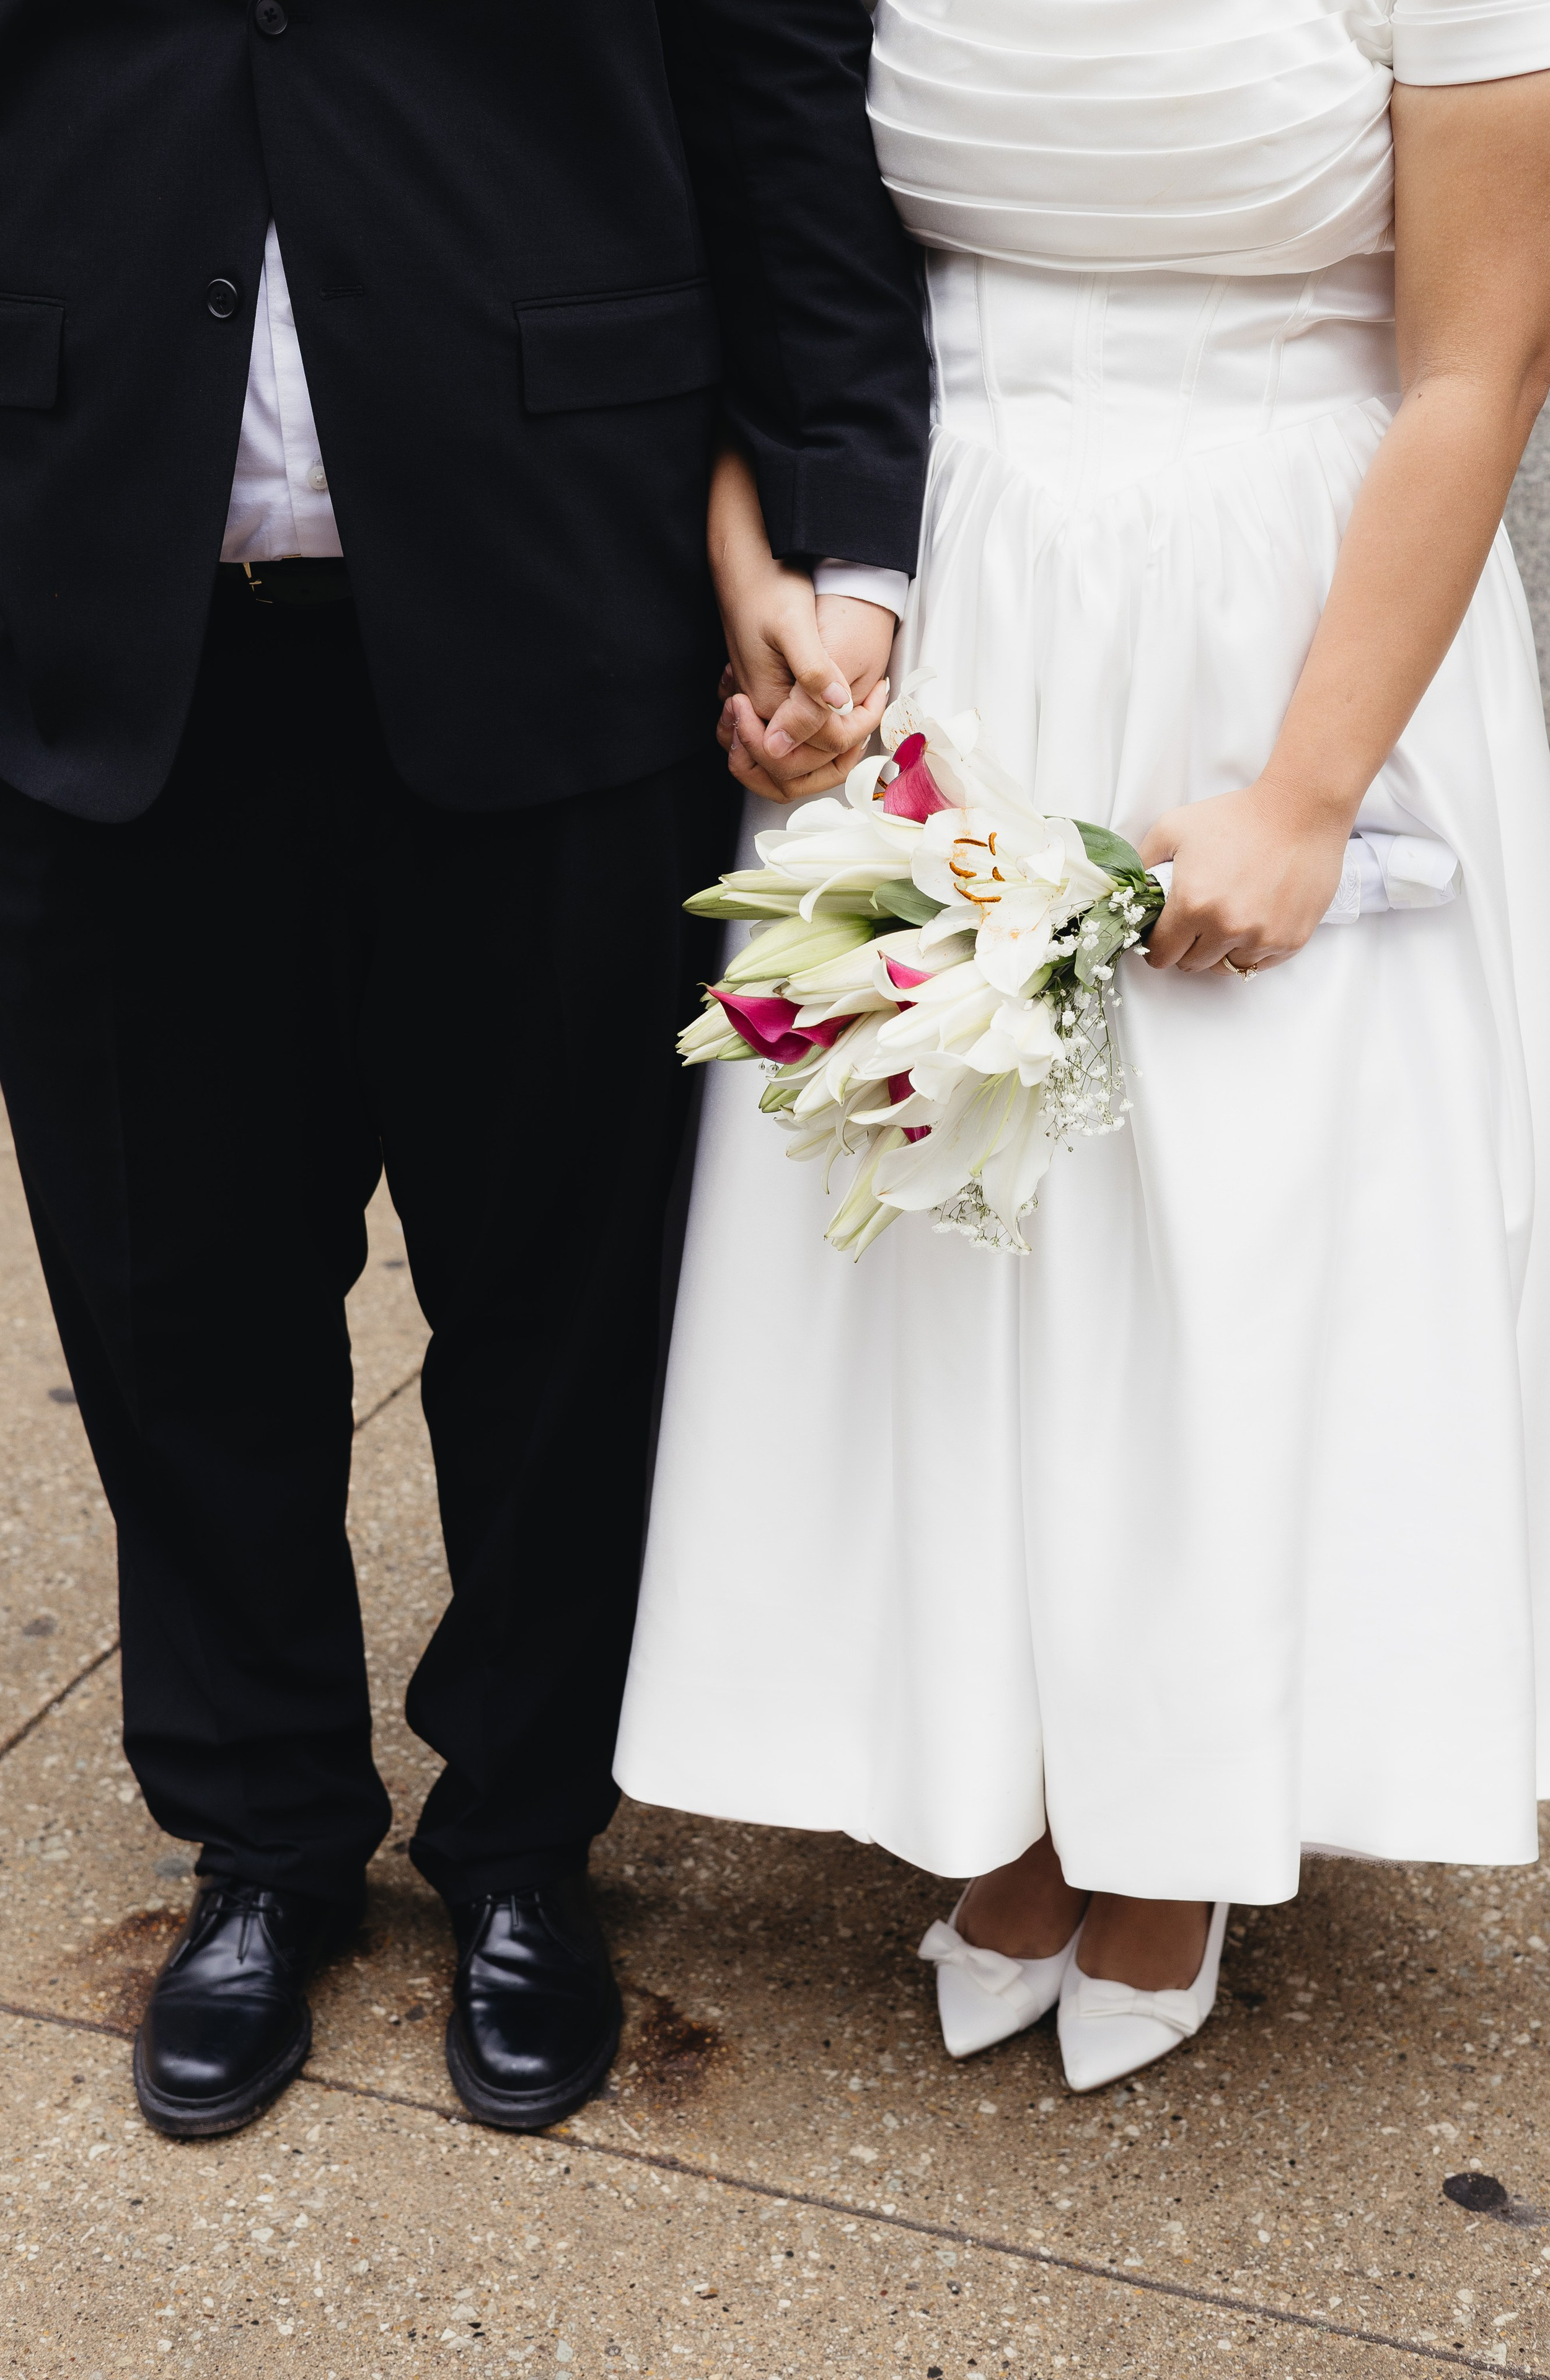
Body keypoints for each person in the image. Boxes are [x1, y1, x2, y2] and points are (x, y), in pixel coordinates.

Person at [0, 1, 928, 2136]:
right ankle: (264, 1836)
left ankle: (523, 1840)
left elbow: (778, 111)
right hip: (92, 617)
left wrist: (850, 532)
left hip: (554, 592)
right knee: (172, 1283)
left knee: (562, 1295)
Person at [618, 0, 1550, 2092]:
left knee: (1240, 1233)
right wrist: (774, 577)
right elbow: (785, 250)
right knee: (963, 1218)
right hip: (965, 579)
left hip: (1288, 594)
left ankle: (1185, 1816)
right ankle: (1007, 1776)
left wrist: (1310, 791)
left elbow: (1480, 363)